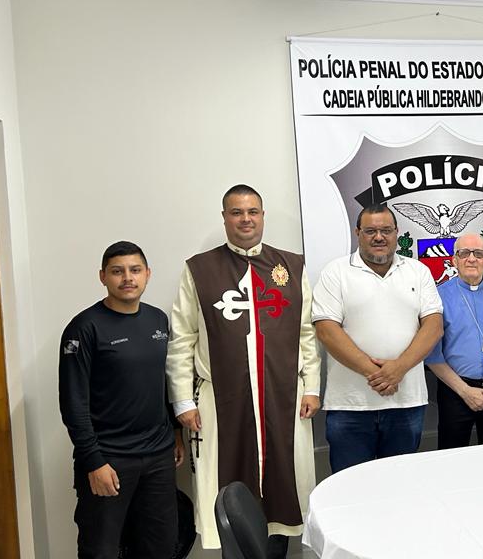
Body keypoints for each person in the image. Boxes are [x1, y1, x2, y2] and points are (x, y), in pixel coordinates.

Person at [166, 184, 320, 557]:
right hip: (221, 401)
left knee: (283, 487)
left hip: (283, 396)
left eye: (252, 211)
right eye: (236, 212)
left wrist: (312, 386)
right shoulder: (200, 269)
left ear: (263, 216)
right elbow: (181, 337)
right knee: (228, 488)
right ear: (225, 218)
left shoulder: (290, 265)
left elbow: (305, 332)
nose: (245, 219)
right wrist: (184, 400)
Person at [59, 241, 183, 559]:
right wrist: (94, 461)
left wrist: (176, 435)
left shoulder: (158, 321)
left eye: (135, 270)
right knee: (100, 550)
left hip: (158, 457)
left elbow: (166, 384)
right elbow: (73, 403)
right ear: (103, 276)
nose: (127, 278)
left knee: (161, 547)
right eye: (117, 271)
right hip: (109, 460)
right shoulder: (84, 328)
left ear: (147, 274)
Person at [312, 204, 443, 472]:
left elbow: (434, 326)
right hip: (350, 407)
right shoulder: (335, 272)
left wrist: (399, 368)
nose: (379, 237)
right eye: (370, 230)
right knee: (349, 490)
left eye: (386, 230)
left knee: (399, 486)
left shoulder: (418, 271)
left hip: (406, 403)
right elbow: (327, 329)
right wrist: (379, 374)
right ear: (357, 233)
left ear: (397, 233)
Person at [425, 234, 483, 448]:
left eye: (479, 253)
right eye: (464, 253)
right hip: (455, 392)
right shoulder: (438, 297)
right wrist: (465, 391)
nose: (471, 259)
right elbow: (432, 354)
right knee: (451, 458)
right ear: (454, 260)